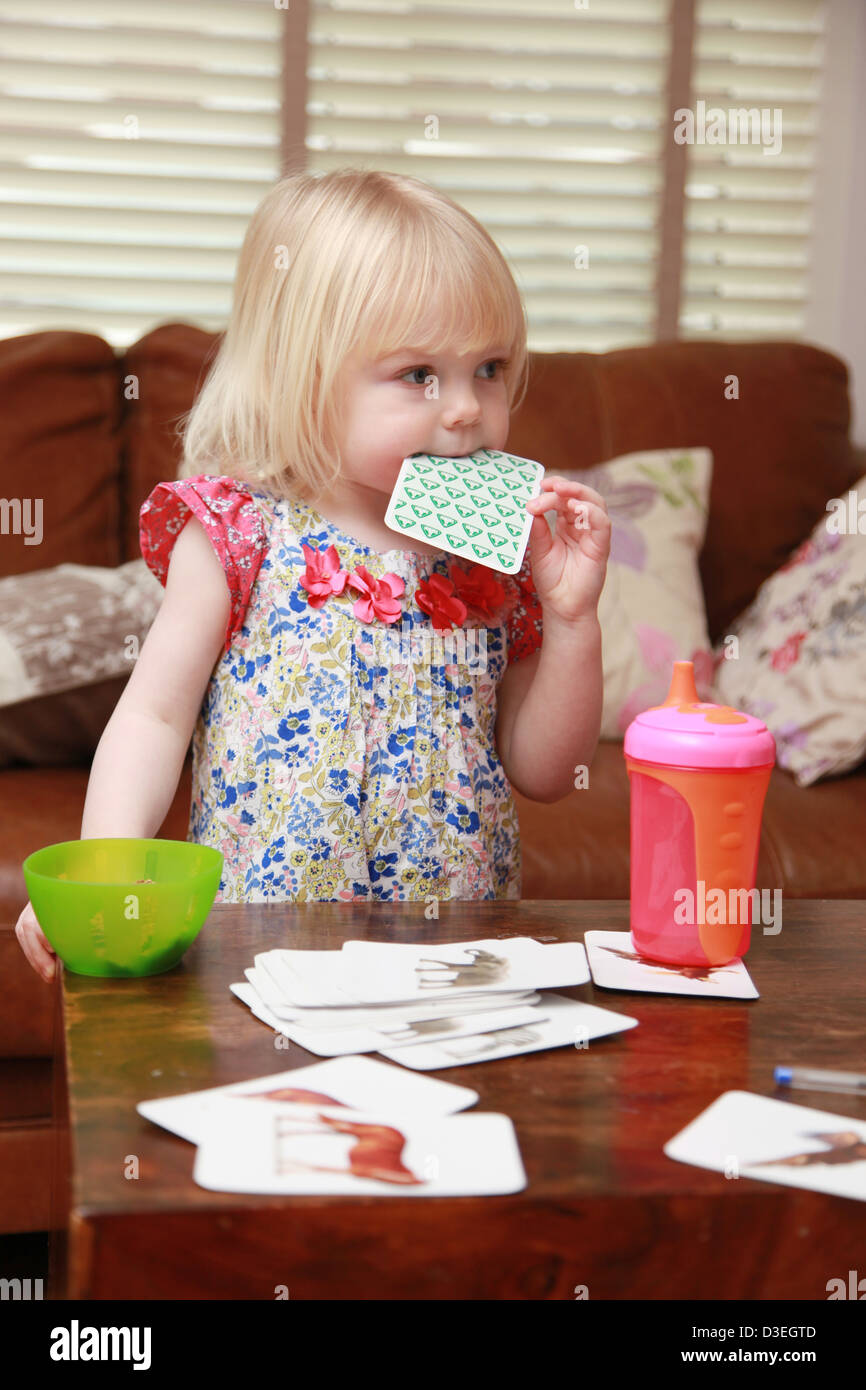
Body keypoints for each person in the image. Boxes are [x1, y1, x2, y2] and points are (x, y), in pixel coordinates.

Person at [16, 167, 609, 982]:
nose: (466, 407)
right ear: (302, 374)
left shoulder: (490, 557)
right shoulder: (237, 530)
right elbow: (154, 718)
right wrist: (107, 871)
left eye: (490, 367)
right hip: (265, 949)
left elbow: (545, 772)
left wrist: (573, 619)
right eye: (418, 375)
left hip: (457, 955)